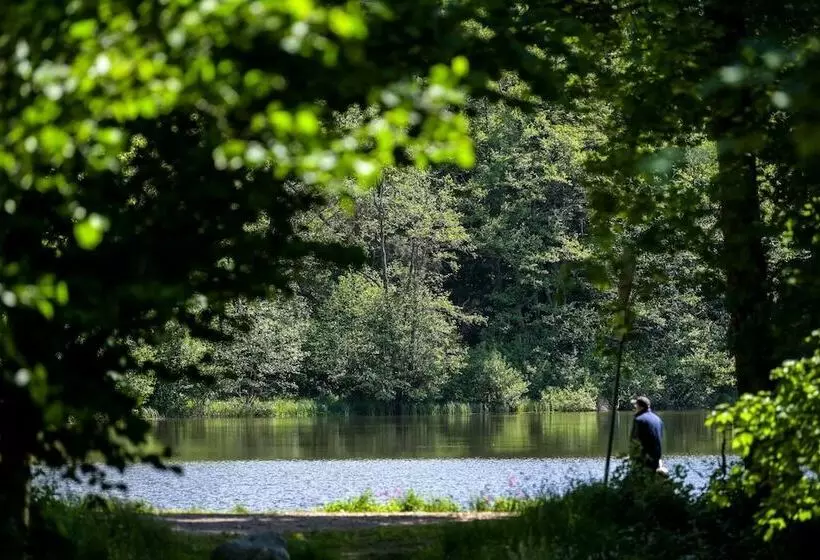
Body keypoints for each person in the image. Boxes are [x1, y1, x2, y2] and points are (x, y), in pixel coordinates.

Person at [630, 396, 667, 475]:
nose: (634, 408)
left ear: (640, 406)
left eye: (635, 405)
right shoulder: (658, 419)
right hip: (657, 460)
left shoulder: (639, 420)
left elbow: (634, 442)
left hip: (644, 461)